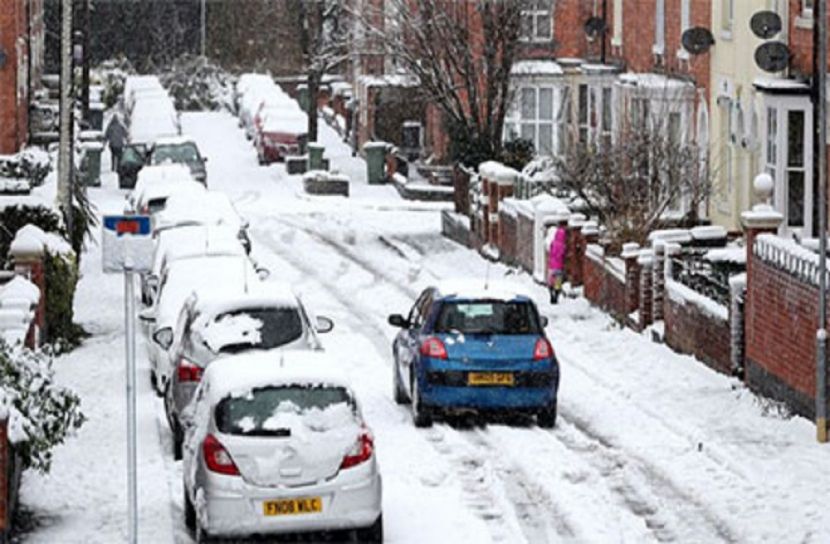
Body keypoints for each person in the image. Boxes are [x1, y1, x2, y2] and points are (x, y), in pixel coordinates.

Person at [548, 220, 568, 304]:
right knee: (558, 282)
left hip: (552, 266)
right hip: (559, 266)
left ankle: (551, 292)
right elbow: (563, 255)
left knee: (551, 281)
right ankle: (556, 295)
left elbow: (550, 252)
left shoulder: (553, 243)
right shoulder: (563, 246)